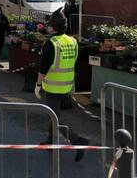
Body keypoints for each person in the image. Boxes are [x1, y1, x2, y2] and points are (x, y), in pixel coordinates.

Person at [35, 9, 89, 162]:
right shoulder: (72, 41)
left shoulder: (51, 43)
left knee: (53, 117)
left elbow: (43, 68)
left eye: (49, 25)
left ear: (53, 27)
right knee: (54, 114)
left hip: (53, 87)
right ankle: (51, 142)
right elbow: (75, 64)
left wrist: (38, 85)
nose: (47, 27)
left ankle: (78, 141)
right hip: (66, 85)